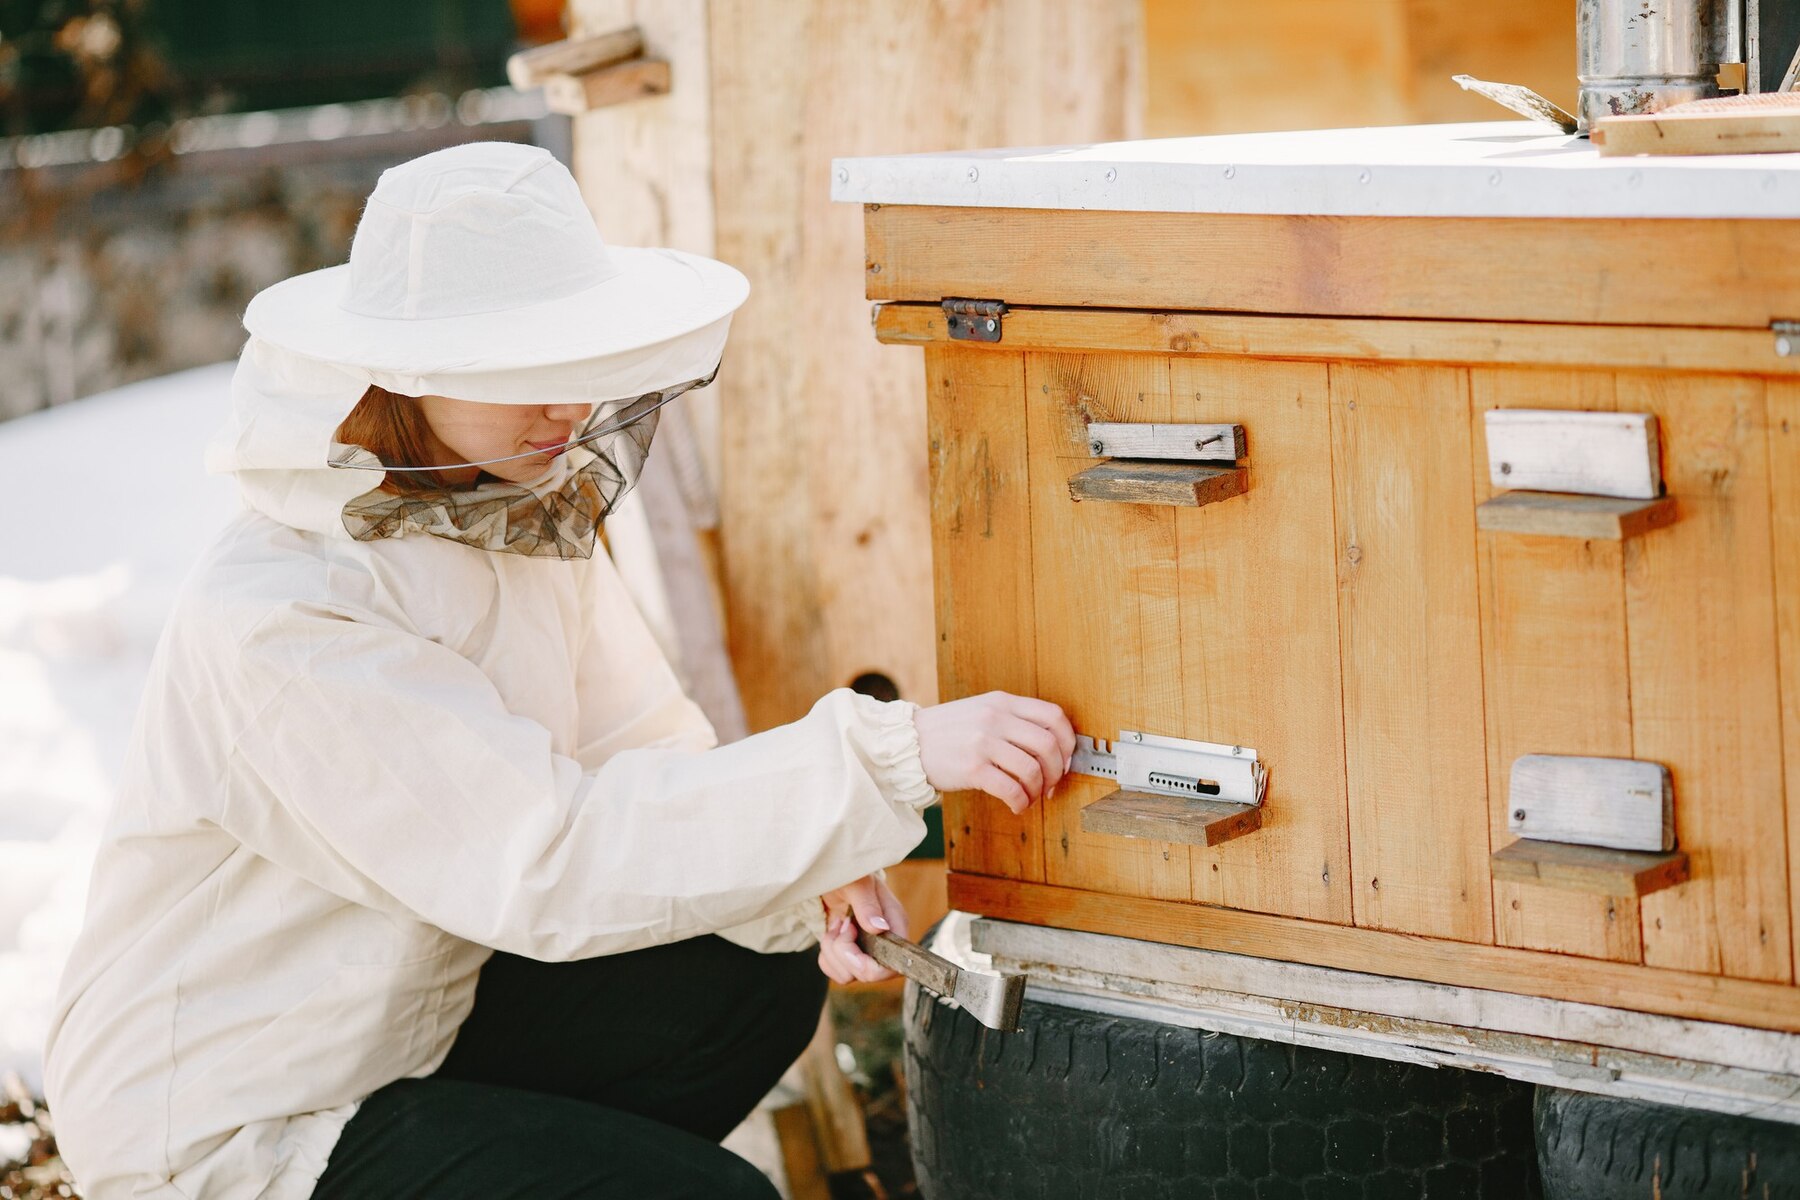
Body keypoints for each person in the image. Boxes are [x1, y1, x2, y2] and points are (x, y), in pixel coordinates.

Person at [41, 141, 1074, 1200]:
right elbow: (544, 856)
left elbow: (649, 750)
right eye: (525, 372)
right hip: (235, 1125)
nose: (569, 410)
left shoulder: (502, 511)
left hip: (399, 1041)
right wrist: (886, 762)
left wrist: (807, 858)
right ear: (408, 372)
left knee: (749, 961)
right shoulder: (284, 616)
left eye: (578, 362)